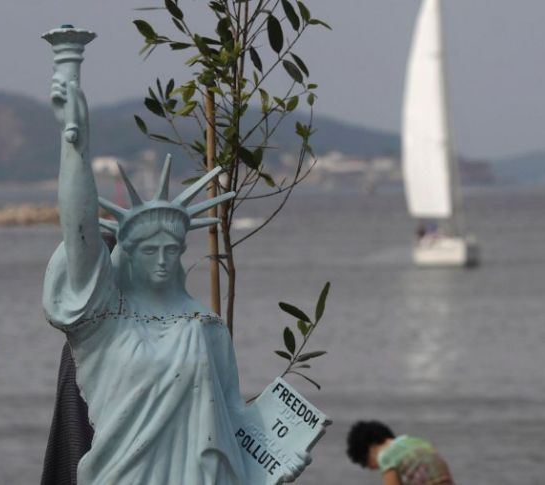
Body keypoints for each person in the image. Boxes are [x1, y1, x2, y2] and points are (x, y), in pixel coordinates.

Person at [43, 74, 308, 484]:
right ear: (128, 255)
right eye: (151, 251)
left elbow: (235, 420)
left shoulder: (206, 327)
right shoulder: (107, 320)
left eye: (172, 250)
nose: (163, 260)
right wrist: (74, 142)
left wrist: (276, 459)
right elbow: (79, 231)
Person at [346, 421, 455, 485]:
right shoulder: (417, 442)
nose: (372, 468)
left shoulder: (386, 456)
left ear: (371, 448)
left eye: (366, 463)